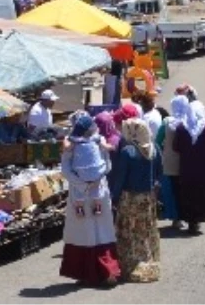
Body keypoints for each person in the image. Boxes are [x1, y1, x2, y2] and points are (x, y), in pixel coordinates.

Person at [59, 112, 122, 285]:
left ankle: (84, 272)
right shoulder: (98, 142)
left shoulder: (70, 146)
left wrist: (82, 184)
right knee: (103, 230)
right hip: (99, 193)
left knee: (81, 232)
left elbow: (65, 170)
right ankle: (108, 271)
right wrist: (95, 182)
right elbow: (107, 166)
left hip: (78, 196)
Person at [110, 118, 163, 282]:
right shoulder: (155, 149)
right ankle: (149, 263)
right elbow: (160, 172)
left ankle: (131, 266)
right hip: (147, 198)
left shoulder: (128, 152)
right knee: (146, 230)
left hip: (130, 198)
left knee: (130, 232)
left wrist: (114, 198)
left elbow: (121, 178)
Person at [170, 95, 205, 234]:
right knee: (203, 192)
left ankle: (191, 221)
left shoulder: (181, 127)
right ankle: (199, 219)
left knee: (188, 193)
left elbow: (175, 147)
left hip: (187, 168)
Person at [158, 106, 183, 231]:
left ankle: (176, 219)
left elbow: (157, 141)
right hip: (187, 162)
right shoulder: (190, 120)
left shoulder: (167, 123)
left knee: (172, 190)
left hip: (170, 162)